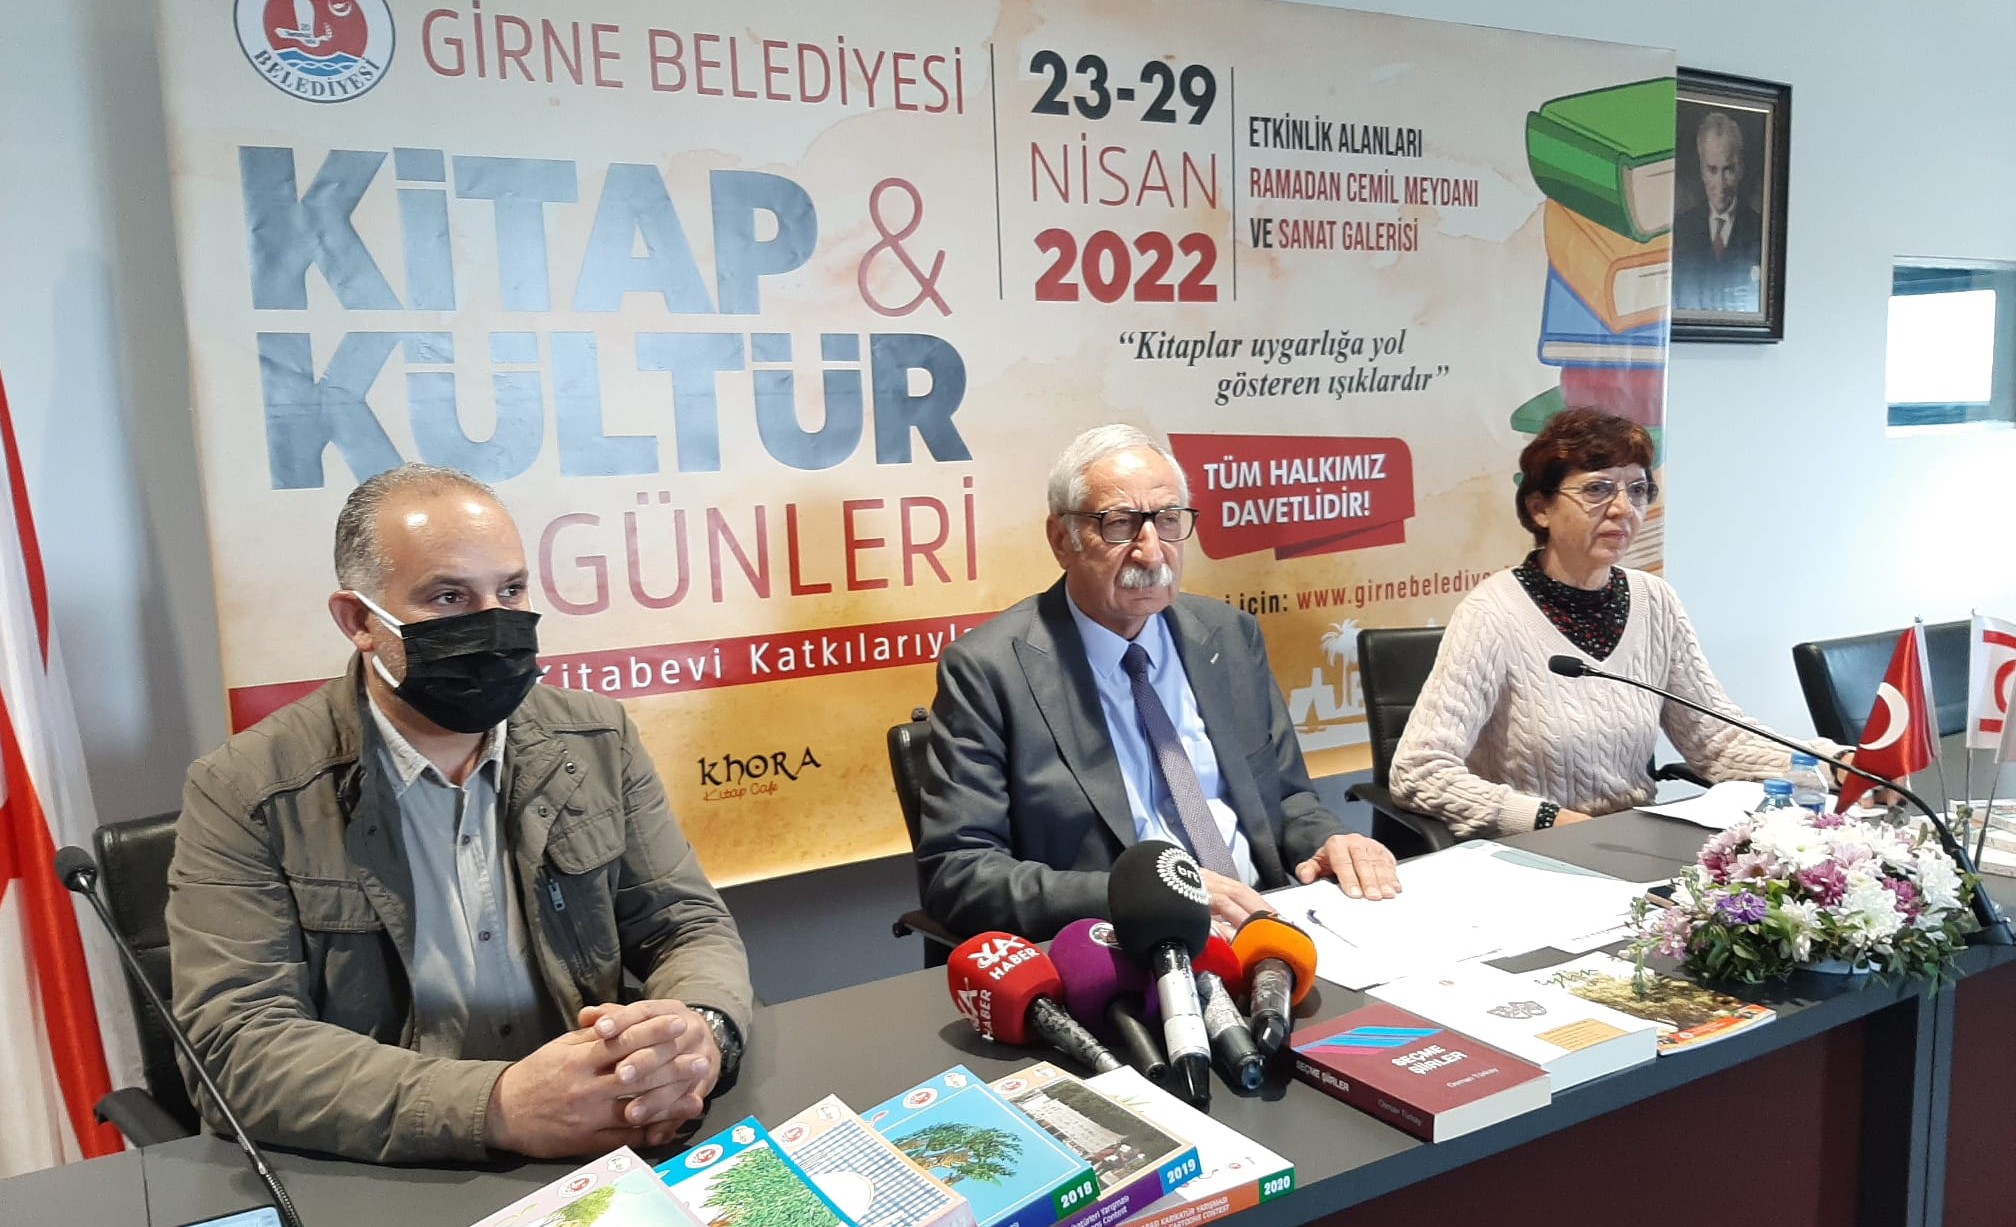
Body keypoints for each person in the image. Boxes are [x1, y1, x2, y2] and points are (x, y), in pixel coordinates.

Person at [166, 464, 753, 1163]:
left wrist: (698, 1031)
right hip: (394, 1169)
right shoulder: (245, 790)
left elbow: (686, 924)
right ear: (359, 620)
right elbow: (236, 1046)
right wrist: (495, 1106)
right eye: (449, 597)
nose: (494, 622)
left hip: (598, 1143)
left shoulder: (596, 738)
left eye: (511, 590)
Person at [915, 425, 1400, 943]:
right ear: (1062, 540)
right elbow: (960, 874)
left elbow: (1287, 800)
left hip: (1269, 922)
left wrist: (1329, 841)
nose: (1152, 553)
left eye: (1168, 521)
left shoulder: (1229, 636)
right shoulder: (990, 670)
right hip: (1127, 947)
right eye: (1120, 525)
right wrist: (1148, 894)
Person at [1389, 408, 1831, 838]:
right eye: (1598, 489)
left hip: (1633, 841)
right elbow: (1420, 770)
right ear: (1540, 509)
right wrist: (1547, 820)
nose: (1623, 508)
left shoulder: (1655, 601)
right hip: (1534, 848)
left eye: (1637, 490)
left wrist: (1834, 764)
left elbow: (1716, 741)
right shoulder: (1492, 613)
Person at [1672, 111, 1764, 313]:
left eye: (1728, 170)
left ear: (1740, 169)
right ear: (1701, 170)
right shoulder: (1680, 231)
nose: (1720, 184)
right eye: (1712, 170)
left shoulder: (1760, 230)